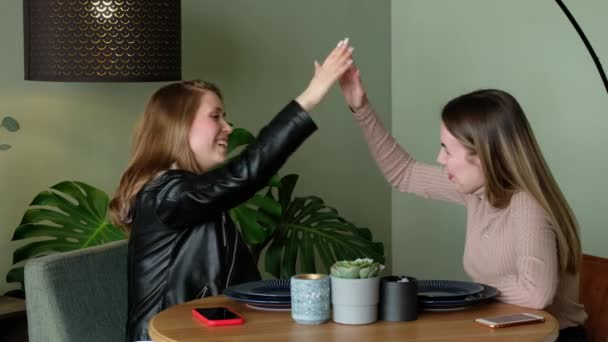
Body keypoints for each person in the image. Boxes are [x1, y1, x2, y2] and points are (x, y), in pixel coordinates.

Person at [109, 39, 354, 342]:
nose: (227, 127)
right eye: (215, 116)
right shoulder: (166, 194)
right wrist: (312, 96)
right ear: (179, 126)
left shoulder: (183, 194)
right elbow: (245, 174)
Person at [338, 65, 588, 341]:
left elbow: (535, 293)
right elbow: (404, 173)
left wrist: (469, 290)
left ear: (482, 155)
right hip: (506, 333)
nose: (440, 158)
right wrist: (360, 107)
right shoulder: (479, 192)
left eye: (447, 149)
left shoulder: (527, 206)